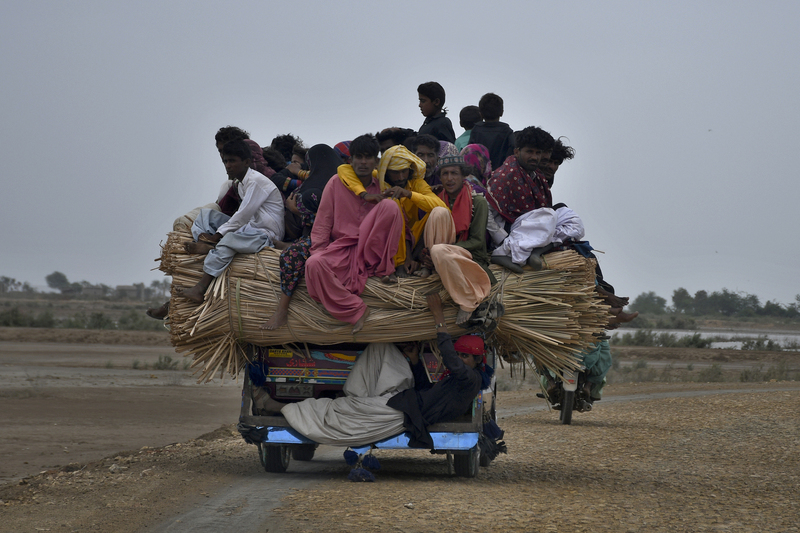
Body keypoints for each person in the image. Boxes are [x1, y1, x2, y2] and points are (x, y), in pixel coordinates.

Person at [254, 293, 485, 449]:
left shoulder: (469, 380)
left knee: (338, 410)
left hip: (400, 413)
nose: (460, 360)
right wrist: (415, 361)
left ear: (477, 361)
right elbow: (426, 390)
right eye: (461, 355)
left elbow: (450, 359)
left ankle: (278, 406)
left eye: (465, 356)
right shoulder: (457, 381)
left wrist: (438, 317)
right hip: (405, 400)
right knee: (380, 347)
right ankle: (356, 397)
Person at [303, 134, 403, 334]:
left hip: (371, 251)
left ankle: (380, 267)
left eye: (368, 157)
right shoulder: (336, 182)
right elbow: (323, 221)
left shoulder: (381, 184)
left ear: (376, 161)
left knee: (390, 207)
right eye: (359, 157)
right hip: (342, 249)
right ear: (351, 160)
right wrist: (320, 253)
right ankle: (355, 309)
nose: (363, 162)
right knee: (313, 264)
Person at [175, 139, 285, 304]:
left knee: (228, 240)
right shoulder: (240, 183)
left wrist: (218, 235)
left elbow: (243, 214)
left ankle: (201, 287)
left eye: (232, 161)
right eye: (225, 161)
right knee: (206, 216)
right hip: (249, 228)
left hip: (264, 233)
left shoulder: (256, 181)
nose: (227, 165)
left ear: (247, 162)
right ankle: (205, 244)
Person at [261, 144, 342, 330]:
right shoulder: (323, 180)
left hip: (329, 238)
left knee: (290, 257)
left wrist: (295, 210)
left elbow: (329, 219)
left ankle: (281, 311)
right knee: (293, 246)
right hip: (315, 235)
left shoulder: (324, 186)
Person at [420, 155, 494, 326]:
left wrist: (447, 248)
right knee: (438, 211)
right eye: (445, 174)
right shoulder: (438, 198)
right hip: (441, 250)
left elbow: (477, 241)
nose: (449, 178)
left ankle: (468, 302)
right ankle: (432, 264)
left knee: (439, 250)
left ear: (463, 176)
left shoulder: (478, 201)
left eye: (454, 173)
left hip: (469, 253)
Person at [469, 93, 515, 171]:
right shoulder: (507, 131)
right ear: (502, 112)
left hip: (480, 175)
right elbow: (512, 152)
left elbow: (470, 151)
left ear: (481, 114)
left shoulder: (476, 130)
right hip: (501, 175)